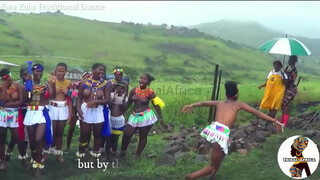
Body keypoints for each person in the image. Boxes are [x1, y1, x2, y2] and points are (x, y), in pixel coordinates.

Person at [182, 81, 284, 180]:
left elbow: (204, 103)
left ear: (226, 93)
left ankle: (213, 175)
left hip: (215, 130)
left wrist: (192, 105)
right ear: (237, 92)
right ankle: (190, 177)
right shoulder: (239, 104)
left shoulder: (219, 103)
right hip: (220, 135)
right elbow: (257, 113)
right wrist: (274, 120)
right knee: (212, 166)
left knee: (222, 153)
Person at [120, 73, 164, 159]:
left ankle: (137, 155)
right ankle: (122, 152)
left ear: (148, 82)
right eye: (141, 78)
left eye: (144, 79)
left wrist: (161, 118)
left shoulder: (150, 92)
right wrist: (122, 112)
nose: (142, 81)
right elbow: (129, 103)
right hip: (134, 116)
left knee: (143, 136)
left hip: (145, 117)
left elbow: (156, 105)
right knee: (127, 135)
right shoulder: (134, 90)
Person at [23, 63, 56, 175]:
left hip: (40, 113)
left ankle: (38, 164)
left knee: (38, 140)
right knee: (32, 143)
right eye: (37, 71)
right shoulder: (27, 85)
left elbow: (51, 96)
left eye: (41, 72)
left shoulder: (44, 85)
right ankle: (35, 159)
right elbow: (27, 100)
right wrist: (28, 86)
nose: (40, 74)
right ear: (32, 72)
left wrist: (52, 85)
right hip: (30, 113)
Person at [76, 63, 111, 159]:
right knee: (84, 134)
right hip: (86, 111)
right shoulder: (85, 83)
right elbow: (79, 98)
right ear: (93, 70)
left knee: (98, 134)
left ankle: (95, 154)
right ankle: (81, 152)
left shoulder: (106, 84)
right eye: (100, 70)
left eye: (103, 70)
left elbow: (108, 100)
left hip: (98, 111)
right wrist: (79, 110)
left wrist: (96, 101)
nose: (102, 72)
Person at [0, 69, 27, 170]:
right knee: (1, 138)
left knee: (19, 138)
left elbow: (22, 101)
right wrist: (5, 87)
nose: (7, 79)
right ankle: (3, 161)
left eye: (7, 77)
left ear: (10, 75)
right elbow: (1, 101)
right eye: (4, 78)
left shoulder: (18, 85)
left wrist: (7, 105)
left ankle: (23, 158)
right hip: (2, 115)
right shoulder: (1, 87)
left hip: (14, 113)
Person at [46, 63, 72, 163]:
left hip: (63, 108)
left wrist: (69, 114)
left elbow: (70, 98)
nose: (60, 73)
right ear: (56, 71)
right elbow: (48, 96)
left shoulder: (69, 83)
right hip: (52, 107)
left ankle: (58, 152)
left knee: (60, 132)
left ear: (66, 72)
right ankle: (47, 150)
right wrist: (57, 89)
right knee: (52, 131)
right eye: (59, 71)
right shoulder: (51, 81)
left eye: (62, 71)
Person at [105, 68, 128, 159]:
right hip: (110, 117)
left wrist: (123, 98)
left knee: (116, 137)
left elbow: (124, 107)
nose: (119, 76)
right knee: (108, 137)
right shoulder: (110, 85)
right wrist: (112, 90)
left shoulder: (124, 92)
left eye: (120, 75)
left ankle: (113, 152)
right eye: (117, 75)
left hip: (118, 118)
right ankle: (107, 153)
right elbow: (109, 104)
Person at [66, 71, 90, 152]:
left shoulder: (92, 85)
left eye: (89, 76)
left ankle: (85, 146)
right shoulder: (77, 84)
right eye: (86, 76)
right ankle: (68, 146)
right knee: (71, 128)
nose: (88, 78)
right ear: (83, 77)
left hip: (85, 109)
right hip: (75, 107)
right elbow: (73, 96)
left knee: (86, 129)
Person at [282, 55, 299, 127]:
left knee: (286, 105)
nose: (288, 60)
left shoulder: (294, 70)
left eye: (289, 59)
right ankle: (283, 120)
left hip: (290, 89)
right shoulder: (289, 69)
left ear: (292, 60)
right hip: (287, 88)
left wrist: (285, 73)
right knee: (283, 105)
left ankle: (285, 122)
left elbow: (292, 80)